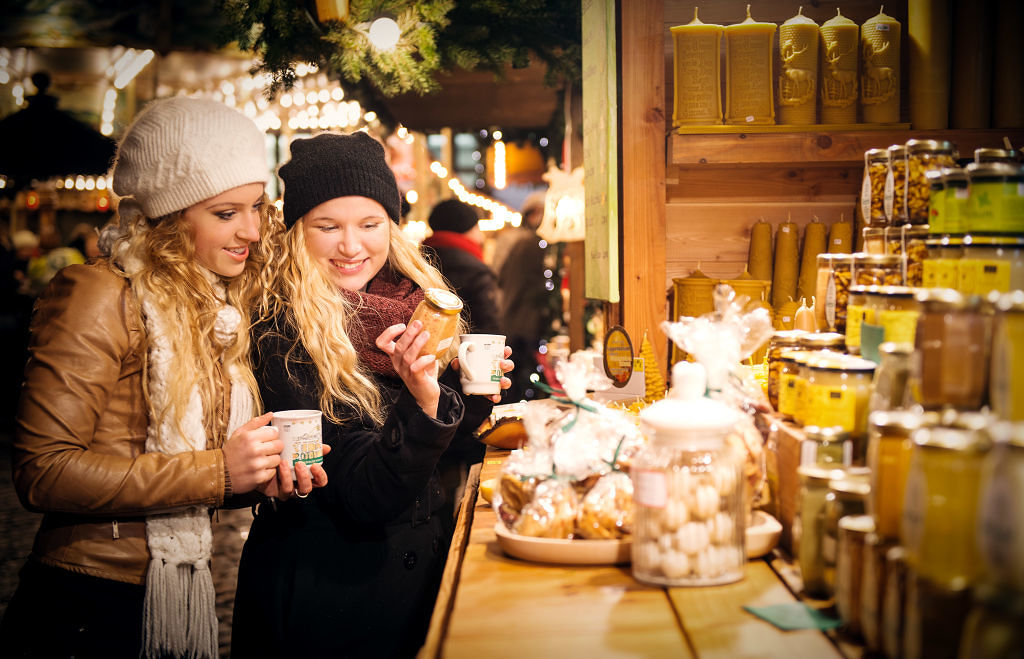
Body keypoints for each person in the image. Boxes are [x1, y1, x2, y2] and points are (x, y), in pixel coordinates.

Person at [0, 97, 324, 659]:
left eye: (256, 207)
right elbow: (43, 470)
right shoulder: (102, 294)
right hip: (86, 604)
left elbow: (182, 469)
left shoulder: (210, 304)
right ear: (173, 217)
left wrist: (248, 480)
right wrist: (219, 471)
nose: (250, 229)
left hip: (163, 590)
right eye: (226, 213)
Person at [231, 131, 512, 658]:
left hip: (418, 578)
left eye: (369, 224)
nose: (351, 246)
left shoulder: (411, 302)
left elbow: (442, 454)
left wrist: (470, 398)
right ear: (297, 231)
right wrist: (425, 401)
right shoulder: (282, 329)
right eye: (327, 226)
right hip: (330, 593)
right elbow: (364, 495)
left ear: (392, 226)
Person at [498, 189, 554, 401]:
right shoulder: (534, 244)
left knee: (517, 377)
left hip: (512, 317)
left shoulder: (521, 242)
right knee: (525, 380)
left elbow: (501, 277)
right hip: (525, 321)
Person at [422, 198, 501, 334]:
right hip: (466, 350)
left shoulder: (419, 261)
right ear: (465, 229)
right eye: (477, 228)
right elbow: (488, 324)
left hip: (424, 349)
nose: (481, 236)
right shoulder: (476, 271)